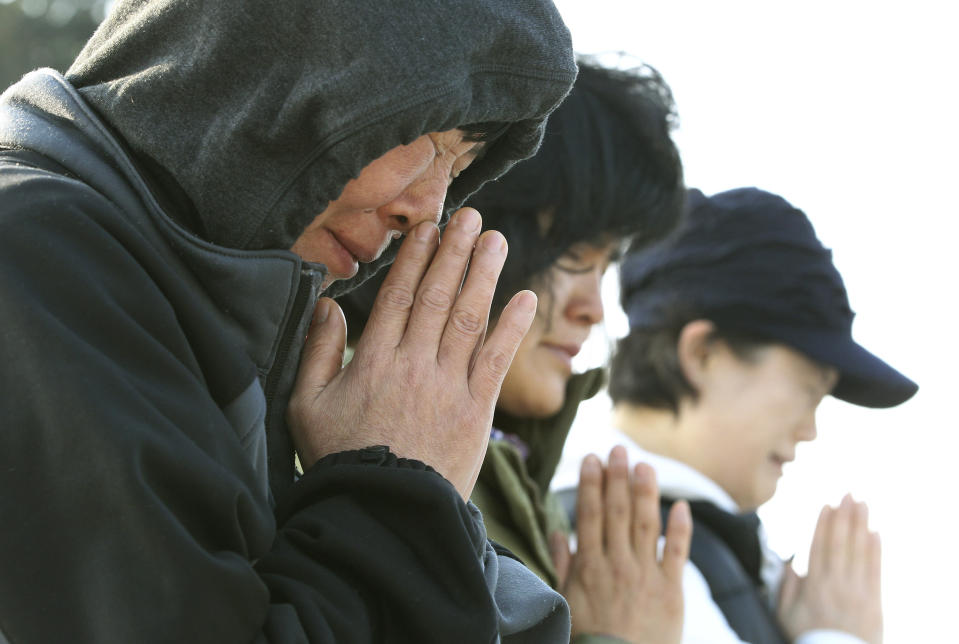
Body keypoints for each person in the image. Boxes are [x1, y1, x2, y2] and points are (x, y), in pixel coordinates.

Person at [0, 1, 579, 642]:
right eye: (429, 135)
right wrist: (396, 496)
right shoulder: (31, 257)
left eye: (459, 170)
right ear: (281, 67)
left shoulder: (217, 324)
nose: (427, 212)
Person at [339, 60, 693, 644]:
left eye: (606, 268)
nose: (594, 309)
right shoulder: (361, 424)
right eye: (576, 255)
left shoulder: (509, 466)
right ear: (477, 215)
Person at [588, 187, 918, 643]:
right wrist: (836, 636)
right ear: (703, 354)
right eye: (808, 390)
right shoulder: (633, 559)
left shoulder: (701, 540)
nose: (810, 430)